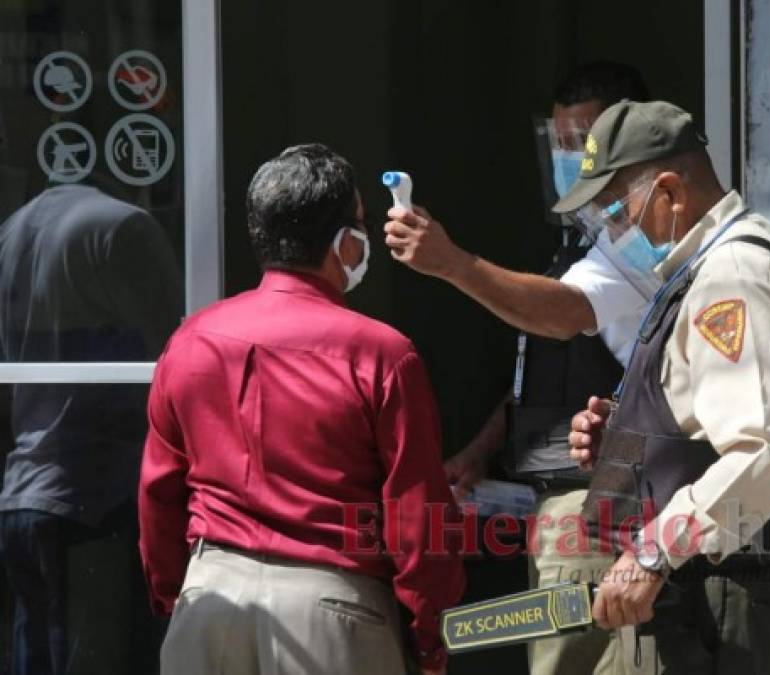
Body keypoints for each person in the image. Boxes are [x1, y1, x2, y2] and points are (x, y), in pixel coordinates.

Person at [138, 143, 465, 675]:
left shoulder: (190, 340)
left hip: (210, 601)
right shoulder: (382, 354)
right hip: (335, 612)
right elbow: (418, 516)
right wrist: (430, 634)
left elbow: (159, 494)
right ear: (345, 243)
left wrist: (176, 600)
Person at [385, 61, 651, 675]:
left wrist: (452, 263)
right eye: (556, 144)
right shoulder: (573, 243)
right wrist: (481, 451)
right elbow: (539, 373)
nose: (565, 160)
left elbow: (561, 317)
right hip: (552, 506)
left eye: (578, 146)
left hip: (598, 509)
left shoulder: (638, 248)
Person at [565, 100, 770, 674]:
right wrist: (626, 448)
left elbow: (765, 452)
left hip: (725, 610)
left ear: (671, 194)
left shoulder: (731, 276)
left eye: (617, 211)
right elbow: (703, 425)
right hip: (700, 604)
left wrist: (653, 553)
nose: (611, 231)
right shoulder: (698, 271)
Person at [0, 182, 181, 675]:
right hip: (97, 500)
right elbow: (178, 358)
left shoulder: (14, 233)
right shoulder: (122, 227)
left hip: (24, 492)